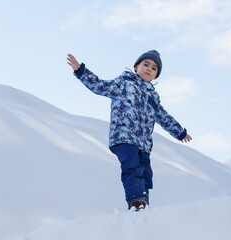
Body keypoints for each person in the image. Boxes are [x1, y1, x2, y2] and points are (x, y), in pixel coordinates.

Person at [67, 50, 192, 211]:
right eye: (145, 64)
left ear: (156, 76)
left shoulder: (153, 97)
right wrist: (80, 71)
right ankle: (136, 203)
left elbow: (163, 116)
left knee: (145, 174)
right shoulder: (123, 84)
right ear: (135, 67)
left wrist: (180, 132)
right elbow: (99, 86)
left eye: (154, 68)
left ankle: (144, 207)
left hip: (143, 144)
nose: (149, 69)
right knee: (132, 166)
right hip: (123, 137)